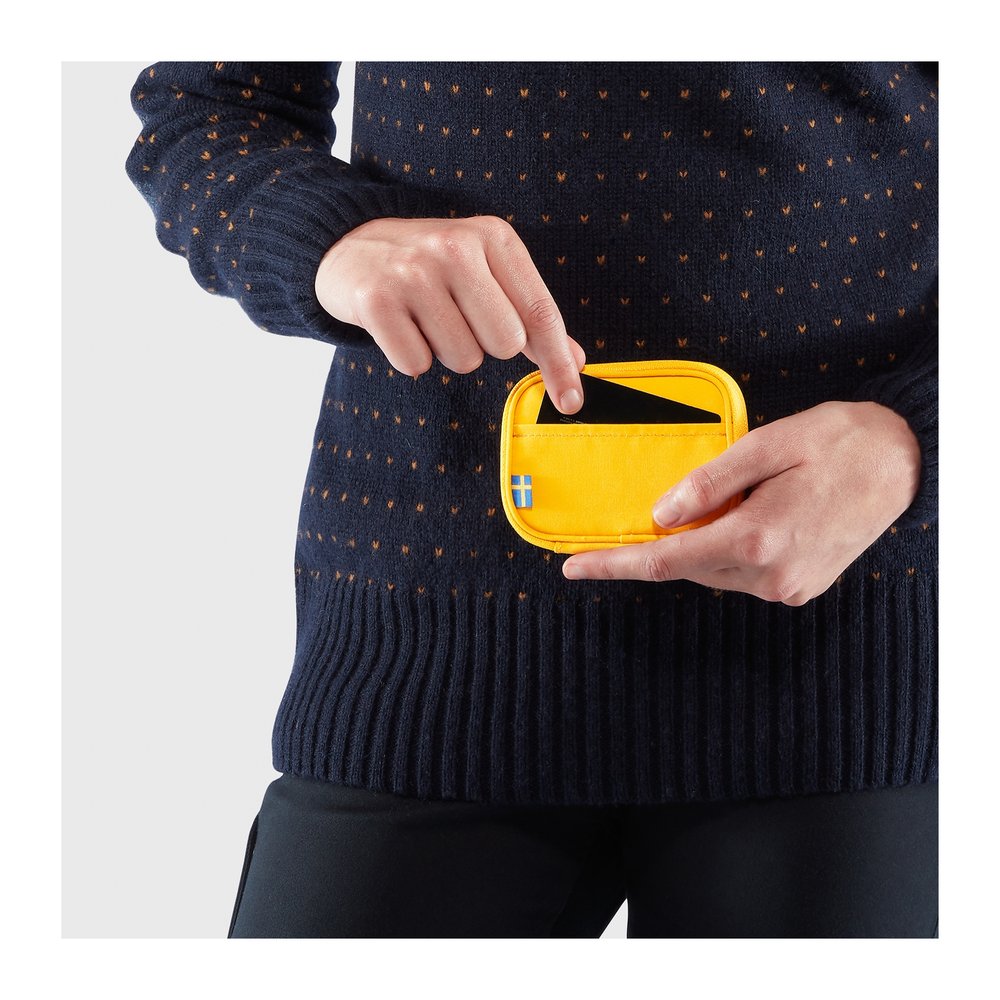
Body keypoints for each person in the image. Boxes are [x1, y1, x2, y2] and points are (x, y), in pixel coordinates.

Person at [126, 61, 938, 938]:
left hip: (856, 651)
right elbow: (206, 109)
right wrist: (331, 236)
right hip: (421, 649)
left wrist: (918, 439)